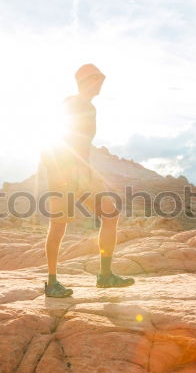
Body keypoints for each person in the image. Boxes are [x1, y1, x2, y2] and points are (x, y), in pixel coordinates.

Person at [42, 63, 135, 298]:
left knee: (110, 214)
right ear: (86, 81)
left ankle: (105, 276)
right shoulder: (72, 104)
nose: (101, 84)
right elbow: (51, 140)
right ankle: (51, 283)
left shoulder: (90, 107)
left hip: (83, 172)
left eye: (102, 80)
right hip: (63, 173)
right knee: (58, 228)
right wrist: (59, 174)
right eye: (98, 80)